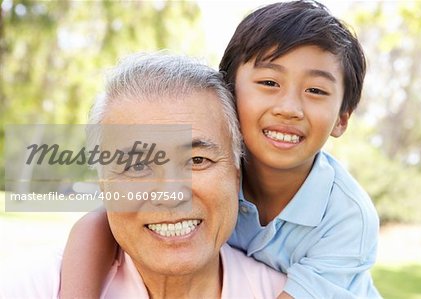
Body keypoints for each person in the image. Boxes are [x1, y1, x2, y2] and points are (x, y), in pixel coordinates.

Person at [61, 1, 381, 298]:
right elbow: (104, 223)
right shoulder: (211, 172)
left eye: (316, 90)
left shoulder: (349, 217)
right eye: (269, 83)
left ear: (341, 120)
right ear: (228, 94)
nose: (289, 108)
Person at [0, 53, 286, 299]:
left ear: (237, 174)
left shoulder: (284, 291)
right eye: (136, 167)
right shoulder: (33, 288)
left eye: (197, 160)